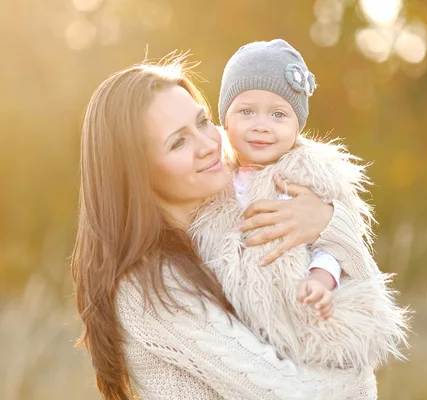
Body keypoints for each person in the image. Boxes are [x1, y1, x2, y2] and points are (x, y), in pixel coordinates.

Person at [71, 58, 380, 399]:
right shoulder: (150, 286)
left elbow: (364, 319)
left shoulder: (233, 236)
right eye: (178, 142)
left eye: (202, 122)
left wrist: (329, 223)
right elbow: (296, 393)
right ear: (136, 173)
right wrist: (359, 374)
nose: (208, 144)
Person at [191, 39, 409, 370]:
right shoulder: (214, 181)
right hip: (240, 327)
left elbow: (333, 244)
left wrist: (320, 281)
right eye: (246, 111)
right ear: (225, 119)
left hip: (298, 314)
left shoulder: (305, 178)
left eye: (279, 114)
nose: (261, 125)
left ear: (298, 126)